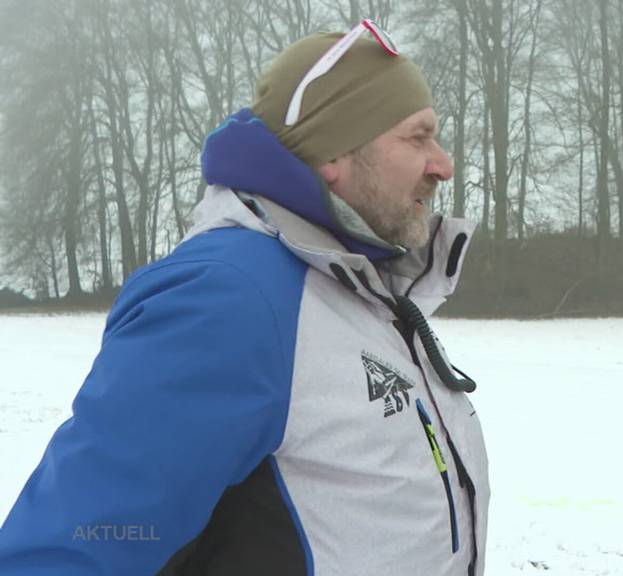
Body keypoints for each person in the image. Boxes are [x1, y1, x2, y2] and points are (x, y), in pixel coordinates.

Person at [0, 20, 489, 575]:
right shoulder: (231, 298)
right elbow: (73, 546)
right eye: (417, 137)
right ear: (335, 155)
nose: (443, 165)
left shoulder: (357, 288)